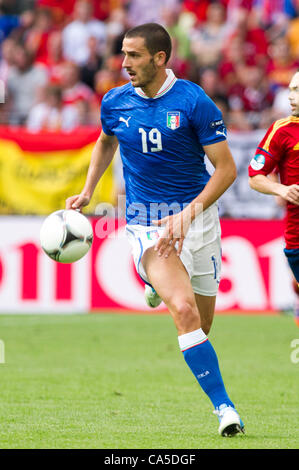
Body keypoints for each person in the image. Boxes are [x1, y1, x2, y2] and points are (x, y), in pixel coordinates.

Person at [66, 23, 245, 437]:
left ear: (160, 58)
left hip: (197, 221)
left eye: (134, 55)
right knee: (182, 311)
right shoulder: (115, 101)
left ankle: (153, 282)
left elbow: (227, 170)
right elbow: (106, 140)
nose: (124, 63)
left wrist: (187, 215)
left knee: (200, 326)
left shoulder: (194, 102)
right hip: (146, 222)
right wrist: (88, 189)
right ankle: (225, 409)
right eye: (123, 54)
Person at [248, 69, 299, 326]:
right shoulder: (282, 130)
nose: (291, 97)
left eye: (297, 90)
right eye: (290, 90)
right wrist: (282, 189)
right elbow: (255, 176)